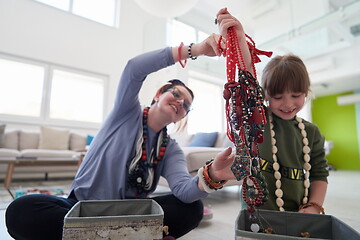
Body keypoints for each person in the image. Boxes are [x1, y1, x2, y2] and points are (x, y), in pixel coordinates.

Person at [5, 32, 240, 240]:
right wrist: (195, 49)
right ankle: (116, 234)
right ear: (159, 94)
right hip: (82, 207)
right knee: (20, 211)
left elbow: (183, 190)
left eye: (186, 105)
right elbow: (133, 68)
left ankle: (98, 235)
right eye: (176, 94)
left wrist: (211, 176)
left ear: (182, 117)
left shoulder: (171, 149)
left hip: (134, 213)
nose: (180, 102)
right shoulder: (125, 112)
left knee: (192, 209)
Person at [216, 8, 329, 214]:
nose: (287, 104)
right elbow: (247, 80)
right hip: (255, 217)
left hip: (297, 215)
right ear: (266, 95)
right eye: (278, 97)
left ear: (306, 92)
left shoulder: (311, 133)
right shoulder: (257, 119)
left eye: (296, 95)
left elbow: (319, 174)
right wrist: (240, 38)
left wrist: (314, 206)